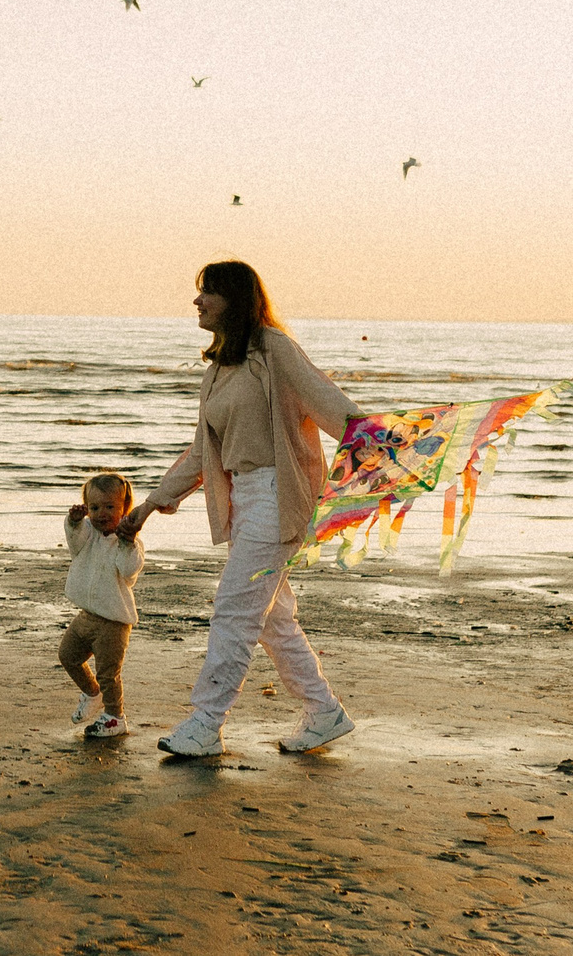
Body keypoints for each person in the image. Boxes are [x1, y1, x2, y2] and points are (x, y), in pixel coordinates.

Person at [114, 260, 361, 757]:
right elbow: (204, 454)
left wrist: (395, 442)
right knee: (271, 618)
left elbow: (333, 406)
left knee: (234, 608)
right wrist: (149, 506)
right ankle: (324, 712)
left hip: (278, 497)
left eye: (207, 292)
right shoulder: (220, 369)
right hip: (245, 500)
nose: (197, 301)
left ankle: (206, 721)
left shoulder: (275, 349)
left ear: (236, 299)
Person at [59, 471, 144, 739]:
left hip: (114, 622)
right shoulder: (89, 535)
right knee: (68, 655)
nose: (101, 514)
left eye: (110, 507)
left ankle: (115, 717)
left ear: (124, 509)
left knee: (108, 674)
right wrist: (73, 521)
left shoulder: (127, 542)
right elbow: (75, 541)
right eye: (94, 508)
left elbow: (130, 572)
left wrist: (127, 543)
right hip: (87, 615)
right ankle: (92, 693)